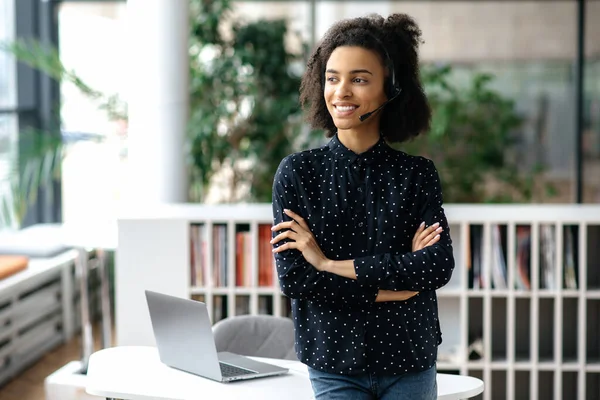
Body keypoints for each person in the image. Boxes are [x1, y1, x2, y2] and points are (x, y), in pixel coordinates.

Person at [270, 12, 454, 400]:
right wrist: (391, 290)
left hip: (410, 358)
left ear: (391, 89)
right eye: (332, 78)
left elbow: (436, 266)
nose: (341, 92)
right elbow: (297, 280)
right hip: (334, 361)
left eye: (359, 79)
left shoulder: (417, 174)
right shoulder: (297, 174)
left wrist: (327, 263)